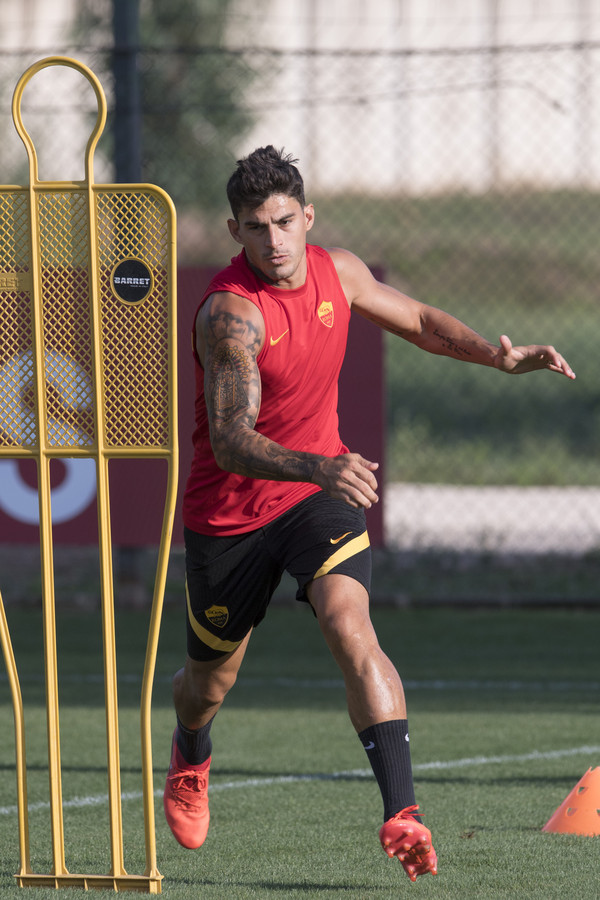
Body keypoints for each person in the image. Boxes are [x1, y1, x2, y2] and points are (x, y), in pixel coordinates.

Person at [163, 146, 575, 882]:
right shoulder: (231, 315)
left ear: (307, 217)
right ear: (234, 231)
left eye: (284, 222)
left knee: (349, 624)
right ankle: (191, 751)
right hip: (231, 515)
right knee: (207, 686)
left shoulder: (340, 272)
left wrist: (496, 357)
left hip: (317, 497)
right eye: (256, 227)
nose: (273, 241)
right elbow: (229, 441)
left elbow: (416, 319)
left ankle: (402, 812)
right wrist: (321, 465)